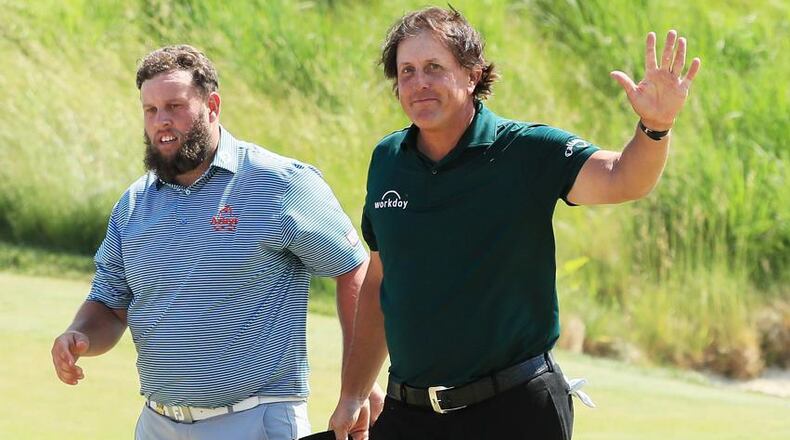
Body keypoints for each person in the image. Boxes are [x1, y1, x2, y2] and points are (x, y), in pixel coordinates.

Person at [329, 6, 700, 440]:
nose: (419, 83)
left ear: (472, 75)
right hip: (408, 414)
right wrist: (353, 391)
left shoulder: (526, 152)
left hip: (514, 412)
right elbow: (379, 281)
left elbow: (624, 178)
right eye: (406, 71)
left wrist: (655, 126)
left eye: (434, 67)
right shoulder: (387, 160)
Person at [50, 44, 383, 440]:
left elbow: (353, 269)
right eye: (151, 110)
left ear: (212, 105)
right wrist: (80, 335)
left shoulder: (280, 183)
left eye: (175, 106)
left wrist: (356, 387)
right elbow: (110, 303)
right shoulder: (134, 204)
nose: (162, 122)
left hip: (257, 420)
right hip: (157, 424)